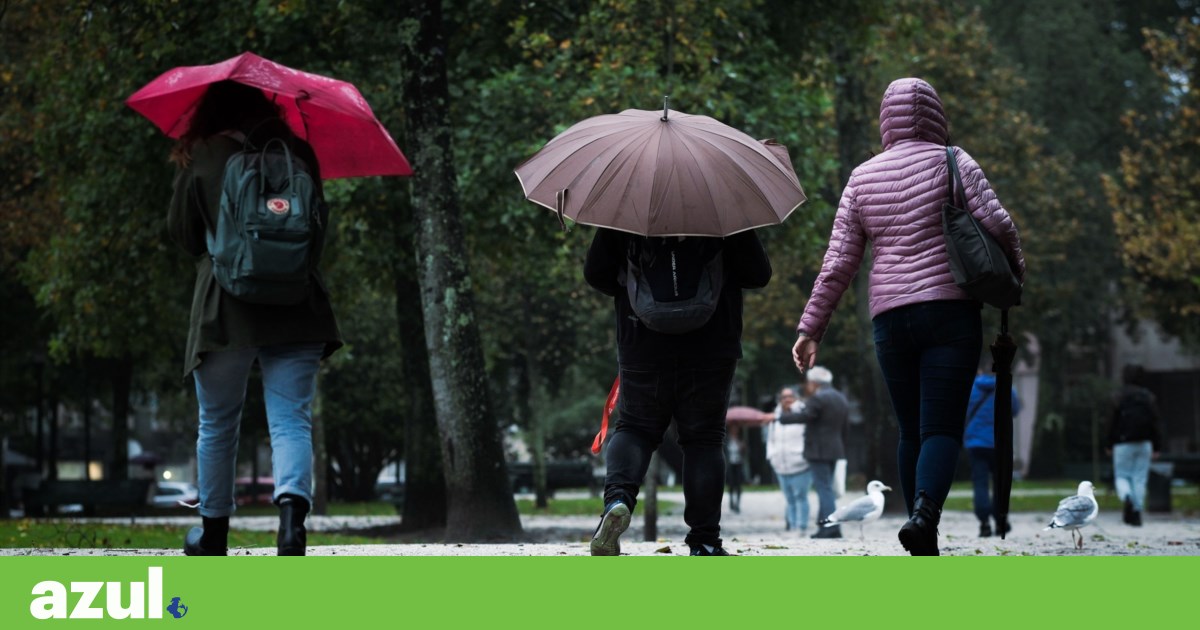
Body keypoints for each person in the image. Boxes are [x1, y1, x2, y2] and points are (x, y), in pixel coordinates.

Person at [791, 77, 1025, 555]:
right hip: (950, 312)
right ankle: (924, 517)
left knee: (911, 428)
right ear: (936, 114)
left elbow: (839, 262)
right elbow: (999, 223)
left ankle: (922, 533)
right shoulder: (954, 160)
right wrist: (1014, 273)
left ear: (885, 119)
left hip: (890, 320)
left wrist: (811, 328)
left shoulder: (862, 177)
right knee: (941, 428)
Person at [167, 80, 342, 556]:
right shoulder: (298, 153)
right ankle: (291, 526)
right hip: (298, 308)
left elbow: (182, 232)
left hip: (225, 309)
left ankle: (214, 534)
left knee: (218, 423)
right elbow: (317, 234)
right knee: (291, 421)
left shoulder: (201, 154)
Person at [584, 229, 771, 556]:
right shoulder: (722, 208)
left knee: (635, 428)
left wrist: (634, 289)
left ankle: (617, 500)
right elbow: (758, 274)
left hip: (641, 341)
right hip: (713, 343)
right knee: (704, 439)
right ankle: (705, 541)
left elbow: (595, 273)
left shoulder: (627, 208)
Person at [770, 368, 848, 538]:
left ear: (813, 383)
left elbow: (804, 416)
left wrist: (780, 418)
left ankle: (831, 527)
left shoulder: (818, 398)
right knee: (826, 488)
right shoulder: (841, 397)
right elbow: (844, 426)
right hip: (836, 448)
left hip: (818, 450)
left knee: (824, 489)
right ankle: (824, 527)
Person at [964, 362, 1022, 537]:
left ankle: (984, 523)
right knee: (1000, 485)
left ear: (981, 371)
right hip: (999, 444)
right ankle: (1000, 522)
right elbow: (1016, 410)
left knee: (980, 484)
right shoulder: (1007, 388)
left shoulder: (972, 387)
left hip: (976, 443)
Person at [1106, 364, 1162, 526]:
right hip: (1144, 443)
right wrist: (1157, 446)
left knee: (1122, 476)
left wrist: (1109, 443)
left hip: (1122, 444)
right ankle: (1137, 511)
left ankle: (1127, 497)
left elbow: (1111, 423)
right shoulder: (1148, 397)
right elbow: (1155, 423)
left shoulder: (1117, 396)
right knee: (1139, 478)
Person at [764, 387, 811, 534]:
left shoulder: (803, 413)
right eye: (784, 397)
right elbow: (770, 439)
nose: (787, 399)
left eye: (790, 396)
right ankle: (792, 526)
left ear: (796, 397)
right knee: (789, 498)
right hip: (780, 464)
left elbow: (808, 437)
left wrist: (804, 455)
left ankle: (802, 526)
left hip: (800, 463)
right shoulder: (776, 416)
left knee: (801, 496)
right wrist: (772, 456)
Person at [725, 424, 746, 514]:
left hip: (738, 463)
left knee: (738, 484)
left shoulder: (740, 439)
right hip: (730, 464)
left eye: (736, 429)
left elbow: (744, 452)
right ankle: (731, 502)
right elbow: (725, 451)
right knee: (731, 484)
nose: (734, 430)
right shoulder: (727, 440)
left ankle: (737, 504)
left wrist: (742, 446)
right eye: (733, 429)